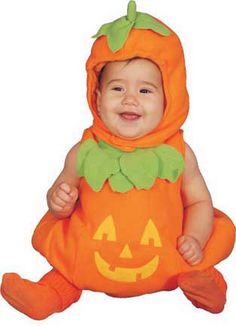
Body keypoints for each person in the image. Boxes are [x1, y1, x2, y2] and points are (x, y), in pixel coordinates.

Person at [1, 0, 235, 320]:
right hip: (89, 255)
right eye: (117, 87)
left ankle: (208, 290)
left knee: (197, 264)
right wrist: (59, 199)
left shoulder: (179, 155)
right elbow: (59, 200)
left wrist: (194, 237)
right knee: (68, 268)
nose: (129, 99)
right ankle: (50, 296)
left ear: (171, 98)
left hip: (169, 259)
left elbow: (199, 202)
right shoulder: (83, 151)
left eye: (145, 91)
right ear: (97, 97)